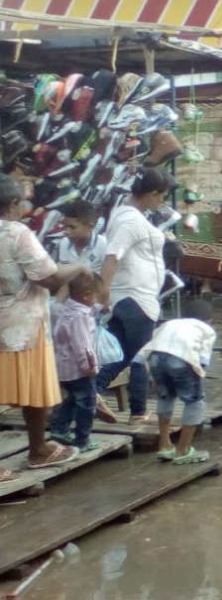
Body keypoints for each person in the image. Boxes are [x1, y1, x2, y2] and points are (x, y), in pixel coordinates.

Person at [0, 174, 87, 475]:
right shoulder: (16, 232)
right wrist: (78, 267)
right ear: (13, 204)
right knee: (34, 391)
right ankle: (38, 450)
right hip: (22, 326)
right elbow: (48, 278)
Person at [97, 167, 169, 424]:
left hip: (133, 298)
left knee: (121, 354)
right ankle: (138, 412)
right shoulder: (129, 220)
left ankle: (90, 393)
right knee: (141, 355)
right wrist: (103, 293)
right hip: (134, 299)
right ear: (151, 194)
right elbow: (112, 257)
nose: (162, 202)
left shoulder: (130, 216)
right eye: (161, 196)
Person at [137, 299, 216, 464]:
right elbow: (203, 359)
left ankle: (165, 445)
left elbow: (152, 345)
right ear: (209, 320)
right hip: (182, 358)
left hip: (155, 357)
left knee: (165, 397)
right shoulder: (206, 329)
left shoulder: (169, 323)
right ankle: (183, 450)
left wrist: (152, 378)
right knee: (195, 402)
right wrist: (197, 382)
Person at [49, 273, 101, 451]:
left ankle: (59, 429)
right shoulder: (80, 316)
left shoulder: (67, 310)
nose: (96, 300)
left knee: (72, 399)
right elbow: (82, 344)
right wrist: (90, 366)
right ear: (86, 295)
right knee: (87, 404)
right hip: (78, 369)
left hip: (64, 367)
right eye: (95, 295)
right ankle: (82, 440)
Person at [52, 201, 107, 274]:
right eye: (65, 226)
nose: (66, 232)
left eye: (72, 227)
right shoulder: (64, 243)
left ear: (91, 226)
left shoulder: (104, 246)